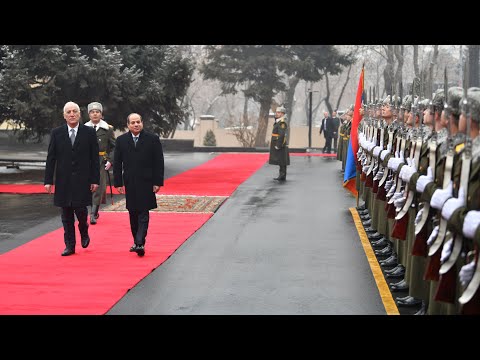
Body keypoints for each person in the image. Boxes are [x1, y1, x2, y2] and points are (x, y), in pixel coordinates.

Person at [44, 101, 100, 256]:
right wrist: (48, 180)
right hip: (64, 180)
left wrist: (95, 180)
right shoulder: (57, 133)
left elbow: (95, 159)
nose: (72, 114)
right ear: (64, 116)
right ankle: (70, 245)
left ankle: (84, 228)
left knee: (81, 211)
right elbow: (51, 158)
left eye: (74, 111)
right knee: (66, 214)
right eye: (68, 112)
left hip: (83, 180)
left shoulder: (89, 133)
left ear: (79, 114)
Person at [113, 113, 164, 257]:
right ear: (128, 125)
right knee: (133, 212)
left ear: (142, 123)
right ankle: (136, 241)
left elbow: (158, 162)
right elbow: (117, 163)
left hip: (147, 182)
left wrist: (157, 182)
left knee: (143, 212)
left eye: (138, 122)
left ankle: (140, 242)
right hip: (130, 182)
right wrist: (118, 183)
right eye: (133, 122)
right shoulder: (121, 140)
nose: (136, 125)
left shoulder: (152, 139)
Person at [84, 102, 116, 225]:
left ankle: (93, 213)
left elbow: (114, 147)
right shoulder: (84, 128)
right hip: (86, 162)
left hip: (101, 161)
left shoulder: (107, 129)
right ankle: (93, 210)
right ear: (89, 115)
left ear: (101, 114)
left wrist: (110, 160)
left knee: (99, 187)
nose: (95, 114)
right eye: (92, 112)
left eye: (97, 112)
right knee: (87, 187)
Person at [269, 105, 290, 181]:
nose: (276, 113)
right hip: (277, 142)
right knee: (281, 160)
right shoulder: (278, 121)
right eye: (276, 112)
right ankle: (281, 175)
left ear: (282, 114)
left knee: (282, 160)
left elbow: (281, 135)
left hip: (280, 144)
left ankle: (282, 175)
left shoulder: (282, 123)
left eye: (278, 112)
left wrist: (278, 145)